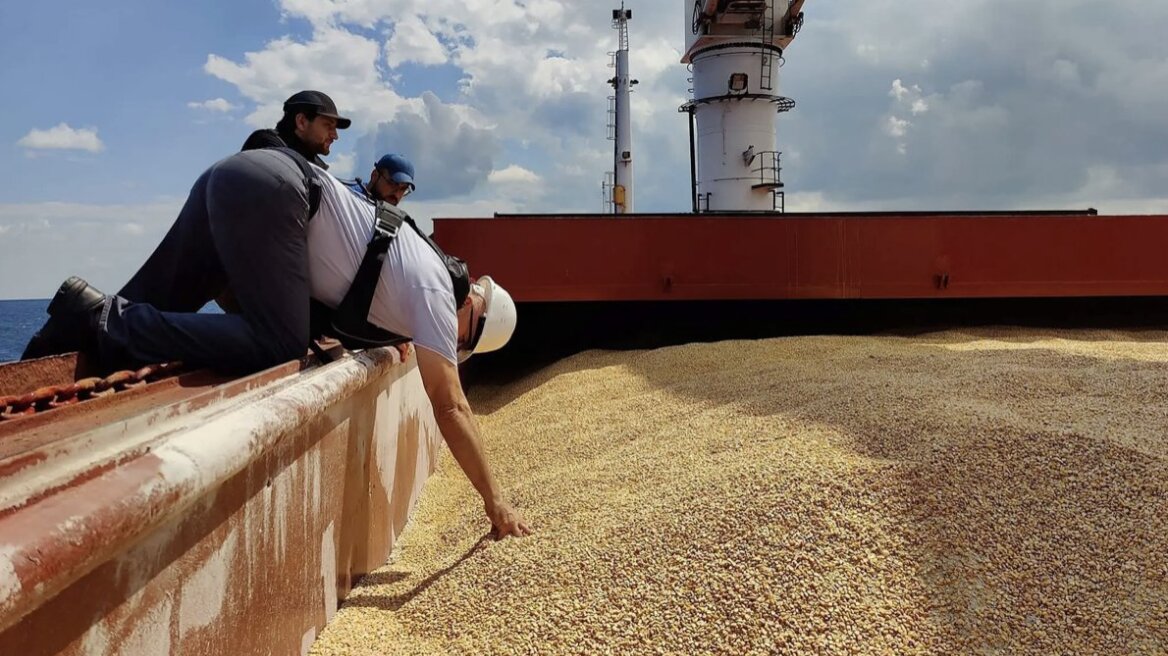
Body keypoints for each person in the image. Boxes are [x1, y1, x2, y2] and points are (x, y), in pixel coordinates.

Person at [21, 148, 531, 538]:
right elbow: (451, 405)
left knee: (151, 304)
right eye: (464, 340)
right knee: (278, 343)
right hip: (278, 193)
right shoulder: (438, 293)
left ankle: (69, 332)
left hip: (241, 175)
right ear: (473, 310)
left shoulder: (419, 267)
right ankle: (98, 314)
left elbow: (364, 284)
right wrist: (496, 502)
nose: (451, 345)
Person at [241, 90, 350, 169]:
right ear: (301, 122)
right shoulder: (266, 146)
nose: (335, 136)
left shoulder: (313, 164)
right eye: (328, 126)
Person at [343, 153, 415, 205]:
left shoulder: (388, 214)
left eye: (403, 188)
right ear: (375, 176)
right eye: (392, 183)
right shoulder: (347, 197)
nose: (397, 193)